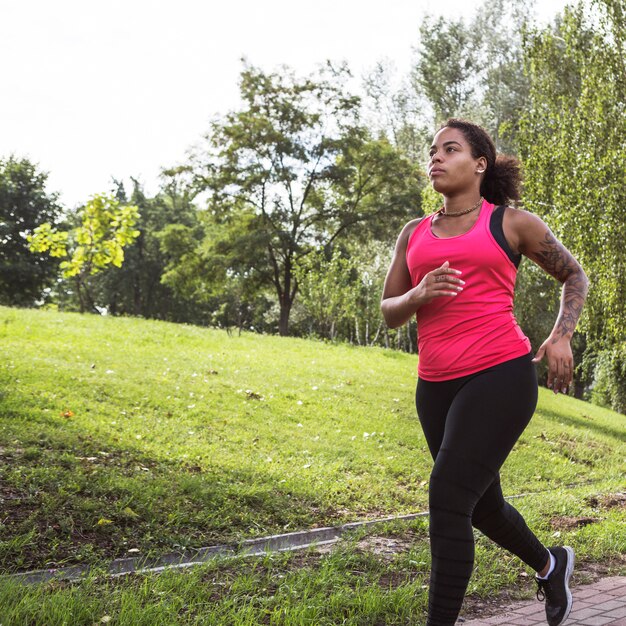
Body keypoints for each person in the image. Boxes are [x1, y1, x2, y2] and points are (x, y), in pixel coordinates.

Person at [380, 119, 589, 626]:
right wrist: (418, 295)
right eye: (432, 151)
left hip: (500, 373)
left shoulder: (510, 223)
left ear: (478, 164)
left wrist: (561, 334)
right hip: (434, 386)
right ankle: (549, 563)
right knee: (480, 506)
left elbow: (574, 274)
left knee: (448, 496)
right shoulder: (413, 233)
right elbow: (389, 311)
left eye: (449, 149)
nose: (436, 157)